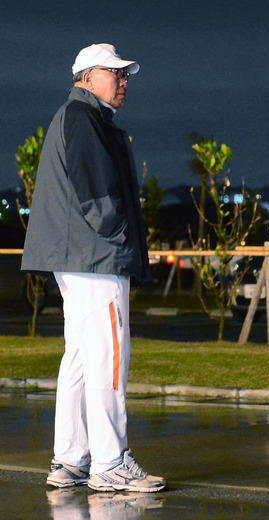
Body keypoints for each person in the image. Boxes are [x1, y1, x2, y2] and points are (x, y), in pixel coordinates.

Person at [22, 43, 165, 492]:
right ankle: (110, 462)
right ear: (87, 77)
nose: (123, 82)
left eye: (125, 75)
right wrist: (118, 235)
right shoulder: (84, 117)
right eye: (115, 73)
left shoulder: (77, 116)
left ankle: (70, 459)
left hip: (78, 256)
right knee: (107, 358)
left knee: (82, 359)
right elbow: (98, 196)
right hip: (95, 256)